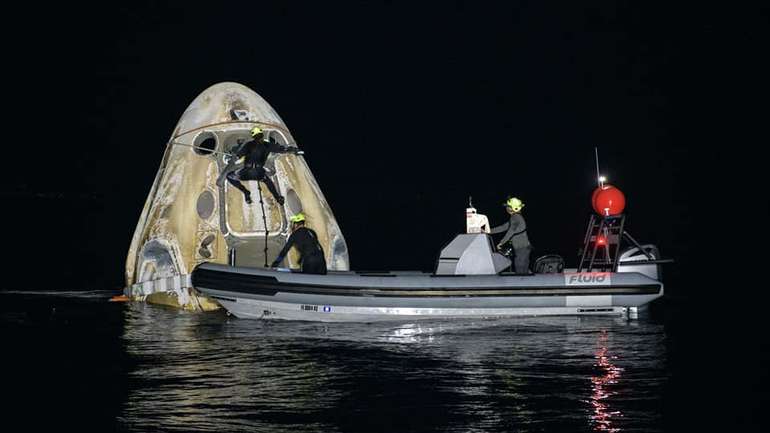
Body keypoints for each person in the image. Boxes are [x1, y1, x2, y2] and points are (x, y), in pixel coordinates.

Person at [225, 126, 299, 205]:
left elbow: (238, 156)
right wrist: (294, 150)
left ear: (253, 136)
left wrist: (232, 158)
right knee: (268, 181)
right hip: (259, 173)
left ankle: (246, 192)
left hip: (245, 173)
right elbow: (282, 149)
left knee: (229, 176)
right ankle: (278, 198)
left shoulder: (248, 144)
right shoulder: (267, 145)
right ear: (262, 135)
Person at [490, 197, 532, 274]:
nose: (507, 208)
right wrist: (488, 231)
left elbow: (511, 231)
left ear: (513, 208)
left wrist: (501, 243)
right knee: (523, 269)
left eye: (508, 207)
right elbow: (503, 227)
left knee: (520, 270)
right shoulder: (515, 218)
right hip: (523, 249)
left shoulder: (516, 217)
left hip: (522, 249)